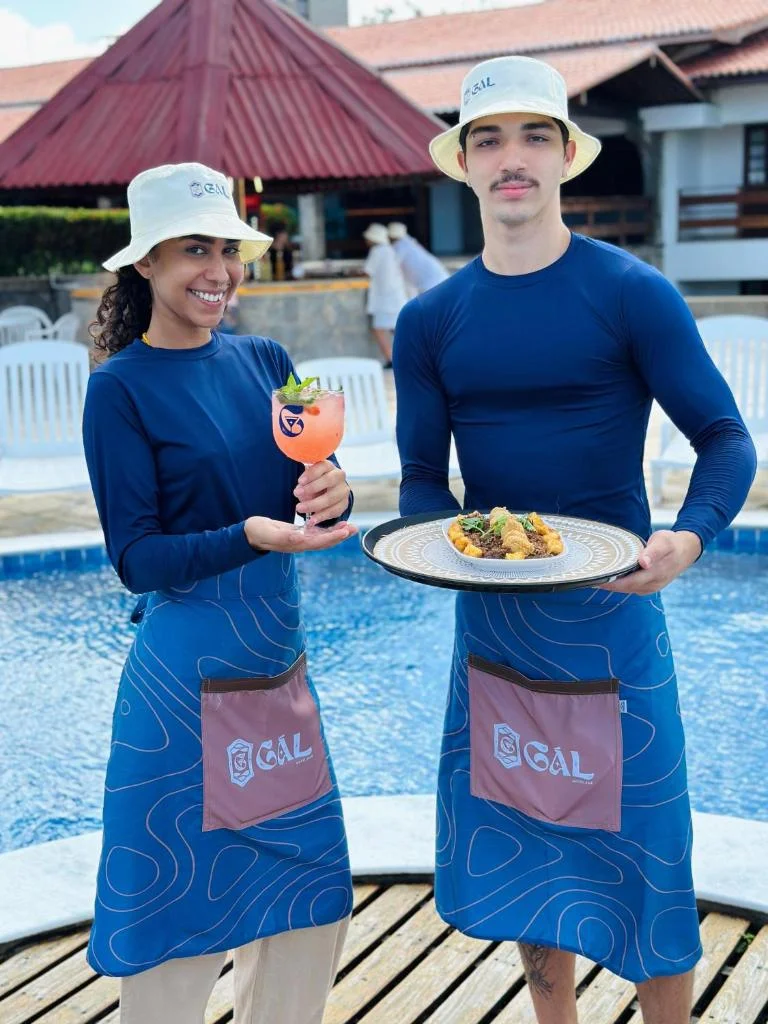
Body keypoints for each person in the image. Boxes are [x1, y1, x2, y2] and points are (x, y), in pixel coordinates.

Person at [393, 56, 756, 1024]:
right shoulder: (431, 319)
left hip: (612, 614)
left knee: (648, 852)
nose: (511, 158)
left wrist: (688, 538)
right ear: (465, 164)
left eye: (533, 137)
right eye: (489, 139)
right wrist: (441, 541)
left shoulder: (632, 292)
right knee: (528, 846)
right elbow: (423, 480)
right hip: (498, 628)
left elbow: (725, 440)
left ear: (565, 156)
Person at [82, 162, 357, 1024]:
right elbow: (137, 558)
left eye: (228, 250)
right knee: (180, 921)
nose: (220, 270)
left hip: (276, 671)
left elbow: (310, 478)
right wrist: (249, 536)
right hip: (184, 684)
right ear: (146, 264)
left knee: (312, 903)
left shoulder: (267, 360)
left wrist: (334, 488)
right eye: (194, 250)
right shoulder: (118, 389)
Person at [362, 222, 408, 368]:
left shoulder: (377, 251)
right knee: (396, 330)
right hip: (396, 297)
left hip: (385, 300)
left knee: (379, 329)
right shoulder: (390, 250)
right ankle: (410, 358)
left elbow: (367, 272)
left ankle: (391, 360)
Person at [387, 222, 449, 296]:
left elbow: (390, 267)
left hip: (432, 285)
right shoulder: (409, 243)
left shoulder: (400, 246)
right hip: (439, 281)